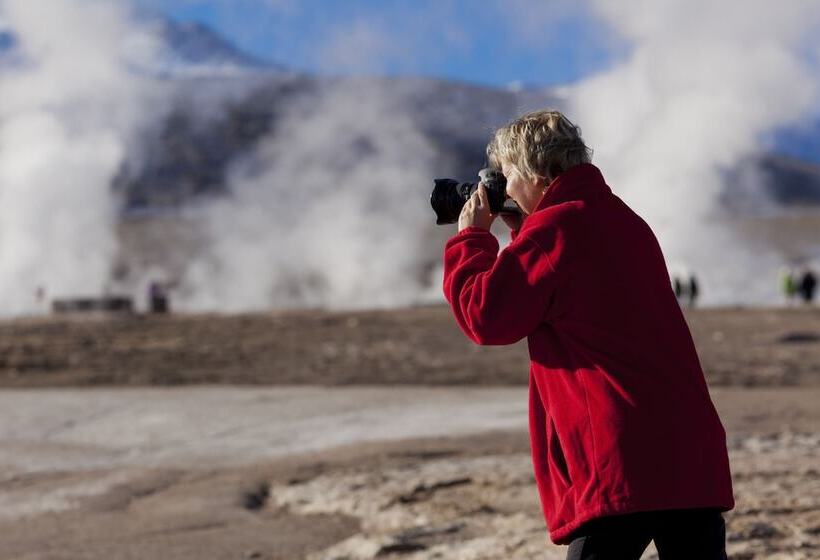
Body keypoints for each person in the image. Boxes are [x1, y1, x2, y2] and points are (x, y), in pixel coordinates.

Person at [442, 110, 733, 559]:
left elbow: (486, 317)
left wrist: (472, 240)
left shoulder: (554, 232)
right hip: (690, 454)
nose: (502, 188)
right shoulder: (623, 219)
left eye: (506, 174)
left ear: (536, 171)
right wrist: (523, 230)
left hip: (621, 458)